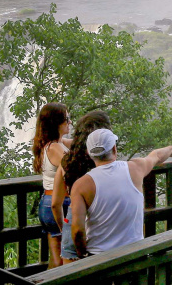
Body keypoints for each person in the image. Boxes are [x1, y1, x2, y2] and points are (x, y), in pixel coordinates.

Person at [70, 129, 172, 258]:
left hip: (99, 259)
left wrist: (82, 255)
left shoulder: (81, 185)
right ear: (114, 148)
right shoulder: (135, 168)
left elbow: (78, 230)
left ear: (89, 153)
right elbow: (157, 156)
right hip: (134, 255)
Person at [50, 110, 112, 263]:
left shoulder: (67, 163)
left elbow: (55, 204)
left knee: (70, 277)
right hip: (101, 223)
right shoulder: (102, 162)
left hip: (74, 222)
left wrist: (63, 227)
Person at [32, 102, 73, 268]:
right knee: (67, 260)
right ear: (57, 123)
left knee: (56, 259)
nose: (70, 122)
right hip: (60, 205)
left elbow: (78, 142)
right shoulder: (56, 148)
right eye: (67, 119)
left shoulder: (51, 144)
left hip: (47, 203)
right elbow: (74, 167)